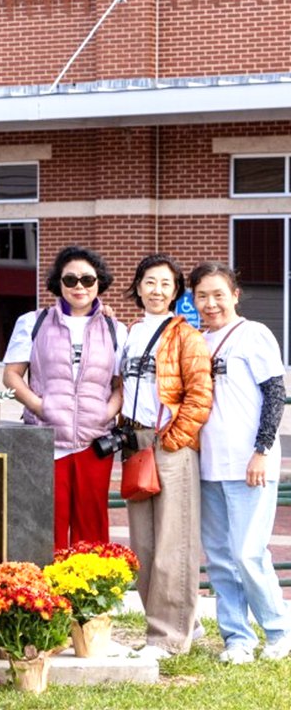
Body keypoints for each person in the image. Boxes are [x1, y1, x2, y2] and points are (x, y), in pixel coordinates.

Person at [190, 261, 291, 664]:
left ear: (235, 295)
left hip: (251, 463)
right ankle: (237, 638)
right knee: (218, 557)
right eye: (202, 295)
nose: (210, 303)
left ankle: (278, 631)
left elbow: (274, 394)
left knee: (249, 553)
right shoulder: (198, 340)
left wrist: (262, 450)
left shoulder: (254, 334)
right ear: (192, 299)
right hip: (209, 466)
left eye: (218, 294)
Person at [2, 246, 126, 550]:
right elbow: (11, 376)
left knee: (92, 532)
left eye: (87, 279)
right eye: (70, 280)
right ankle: (49, 597)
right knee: (47, 528)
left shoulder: (115, 328)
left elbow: (121, 384)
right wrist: (42, 407)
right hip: (46, 440)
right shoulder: (33, 322)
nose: (79, 286)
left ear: (99, 282)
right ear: (58, 283)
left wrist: (106, 412)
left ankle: (95, 595)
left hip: (94, 441)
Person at [121, 253, 213, 659]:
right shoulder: (129, 333)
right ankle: (181, 619)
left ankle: (167, 639)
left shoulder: (186, 336)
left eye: (166, 284)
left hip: (170, 445)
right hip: (135, 443)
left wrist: (172, 440)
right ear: (138, 286)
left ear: (176, 293)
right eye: (150, 282)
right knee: (144, 545)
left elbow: (199, 395)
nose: (157, 290)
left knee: (174, 542)